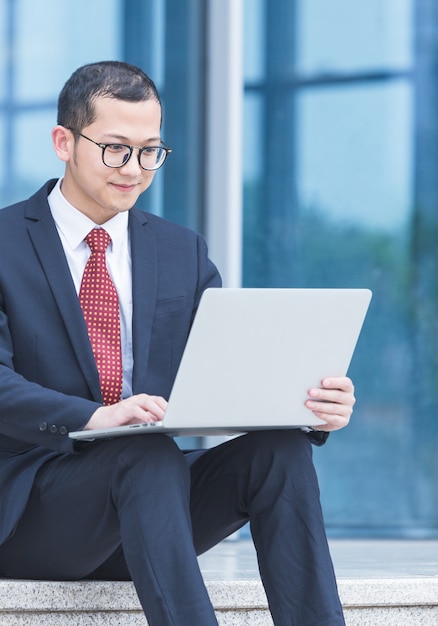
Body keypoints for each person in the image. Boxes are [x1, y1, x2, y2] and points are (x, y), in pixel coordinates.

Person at [0, 61, 355, 626]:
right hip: (34, 513)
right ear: (63, 142)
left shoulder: (178, 250)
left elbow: (229, 369)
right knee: (144, 450)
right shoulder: (5, 244)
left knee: (281, 452)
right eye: (116, 148)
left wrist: (310, 406)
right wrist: (97, 417)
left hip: (150, 513)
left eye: (150, 151)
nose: (135, 169)